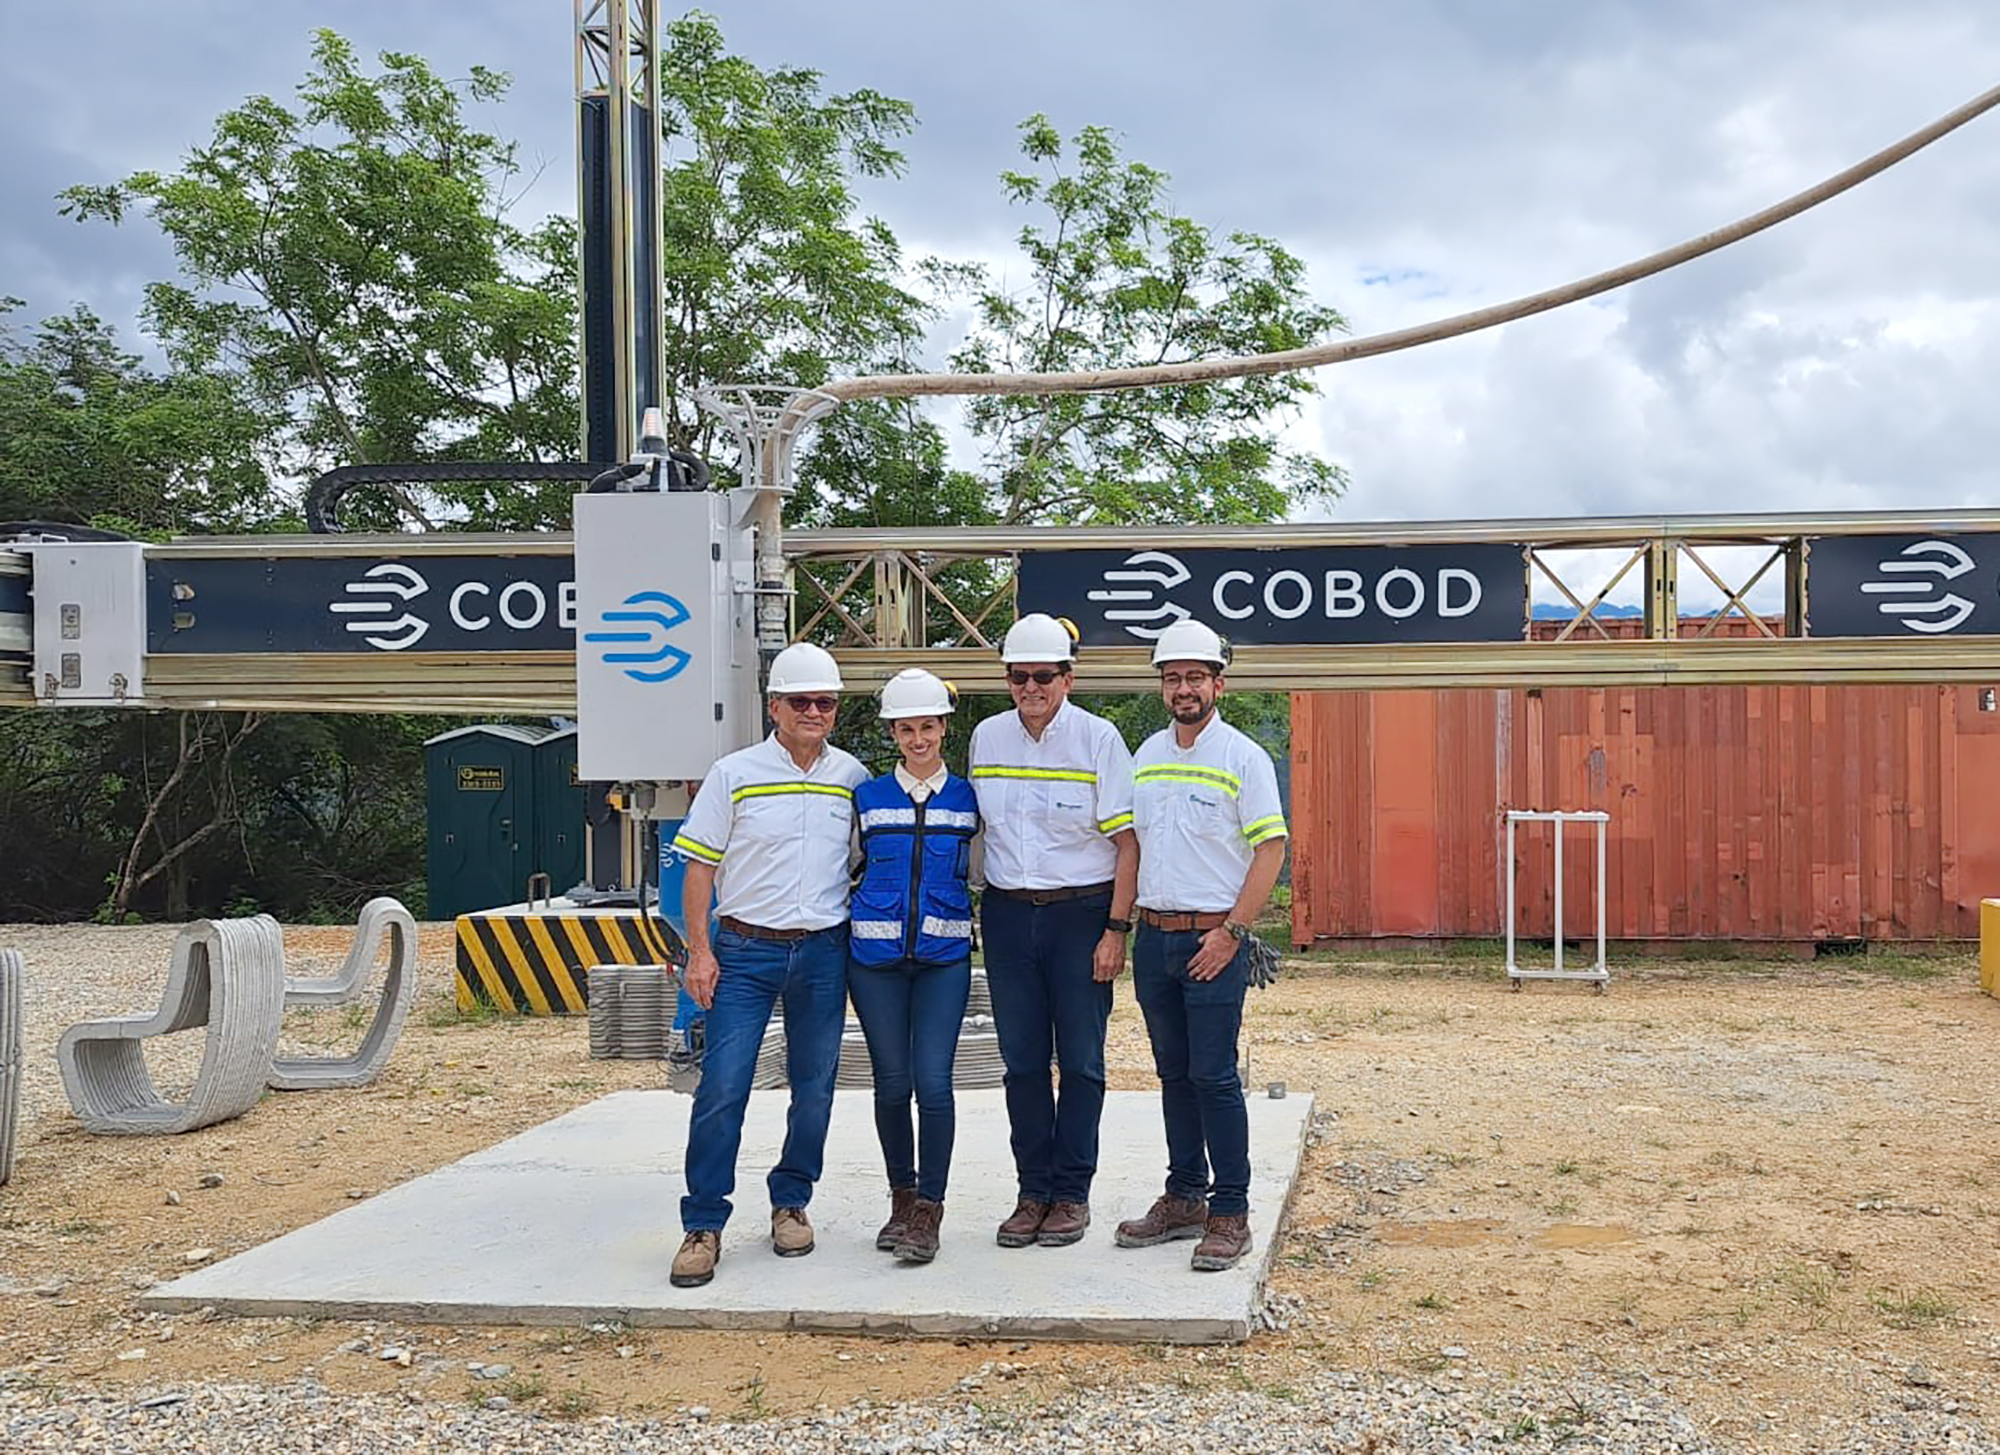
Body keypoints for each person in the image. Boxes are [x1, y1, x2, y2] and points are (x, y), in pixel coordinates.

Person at [665, 641, 868, 1289]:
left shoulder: (852, 778)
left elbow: (865, 863)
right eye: (800, 701)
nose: (813, 711)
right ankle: (703, 1223)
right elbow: (700, 867)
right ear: (774, 705)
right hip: (744, 952)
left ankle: (792, 1201)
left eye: (825, 702)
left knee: (815, 1086)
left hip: (824, 951)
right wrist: (699, 951)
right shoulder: (734, 774)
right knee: (723, 1086)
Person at [1115, 619, 1287, 1272]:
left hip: (1213, 940)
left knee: (1213, 1076)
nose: (1183, 688)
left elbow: (1271, 849)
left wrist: (1231, 932)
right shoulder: (1146, 755)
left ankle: (1230, 1211)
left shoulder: (1243, 758)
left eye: (1195, 676)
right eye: (1172, 677)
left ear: (1219, 683)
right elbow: (1131, 846)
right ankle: (1185, 1195)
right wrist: (1120, 927)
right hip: (1154, 939)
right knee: (1174, 1074)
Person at [969, 613, 1137, 1249]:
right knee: (1021, 1063)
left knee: (1083, 1062)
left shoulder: (1099, 740)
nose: (1031, 688)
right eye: (1019, 677)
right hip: (1009, 915)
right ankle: (1032, 1191)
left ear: (1069, 678)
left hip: (1081, 914)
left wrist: (1116, 929)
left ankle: (1071, 1194)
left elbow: (1128, 845)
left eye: (1044, 676)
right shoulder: (987, 738)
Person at [847, 667, 979, 1264]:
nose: (918, 739)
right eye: (906, 729)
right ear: (893, 733)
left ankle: (930, 1207)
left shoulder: (968, 799)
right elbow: (844, 868)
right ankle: (901, 1198)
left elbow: (982, 870)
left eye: (927, 727)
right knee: (892, 1084)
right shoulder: (867, 798)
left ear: (944, 728)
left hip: (943, 961)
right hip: (873, 962)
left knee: (934, 1083)